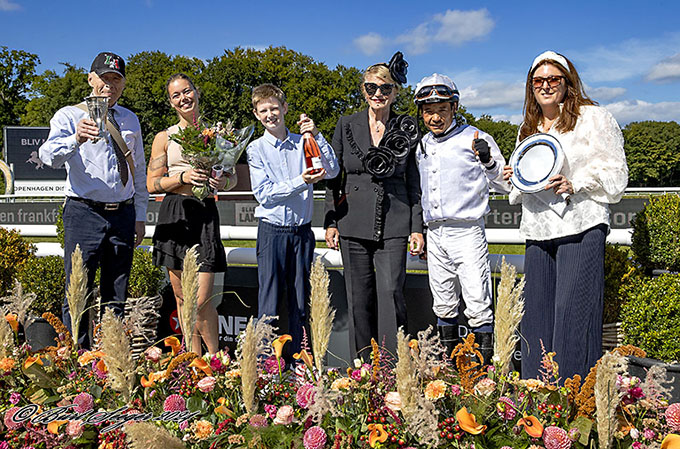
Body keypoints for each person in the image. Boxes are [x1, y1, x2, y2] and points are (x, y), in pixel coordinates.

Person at [503, 51, 628, 379]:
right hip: (538, 229)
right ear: (530, 87)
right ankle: (536, 403)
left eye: (553, 79)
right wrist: (512, 176)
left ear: (568, 82)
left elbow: (616, 174)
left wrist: (578, 183)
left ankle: (576, 406)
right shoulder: (527, 129)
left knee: (573, 319)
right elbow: (522, 188)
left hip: (581, 224)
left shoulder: (595, 118)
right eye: (538, 81)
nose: (545, 85)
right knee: (536, 322)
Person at [39, 52, 148, 347]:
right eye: (104, 78)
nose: (109, 86)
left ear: (123, 84)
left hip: (123, 214)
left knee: (116, 293)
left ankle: (110, 359)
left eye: (116, 79)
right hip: (83, 212)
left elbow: (139, 170)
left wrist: (140, 215)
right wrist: (75, 138)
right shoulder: (69, 115)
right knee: (78, 292)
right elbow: (47, 156)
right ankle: (77, 362)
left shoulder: (130, 119)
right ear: (90, 79)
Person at [324, 52, 424, 360]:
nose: (378, 94)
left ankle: (395, 369)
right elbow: (333, 176)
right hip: (352, 220)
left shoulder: (406, 128)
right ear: (363, 90)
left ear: (395, 92)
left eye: (385, 89)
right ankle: (362, 368)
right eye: (371, 88)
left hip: (395, 221)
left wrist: (416, 228)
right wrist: (330, 220)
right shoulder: (345, 124)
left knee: (391, 293)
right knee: (358, 298)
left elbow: (413, 180)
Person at [413, 73, 508, 363]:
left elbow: (504, 183)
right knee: (442, 304)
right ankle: (450, 371)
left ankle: (481, 375)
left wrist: (488, 161)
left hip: (467, 231)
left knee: (478, 302)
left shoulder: (476, 138)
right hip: (436, 233)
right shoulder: (421, 145)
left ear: (454, 108)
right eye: (429, 111)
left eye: (442, 110)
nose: (435, 117)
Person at [147, 73, 237, 356]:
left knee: (201, 300)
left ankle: (215, 359)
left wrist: (224, 182)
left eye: (187, 91)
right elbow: (152, 184)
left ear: (196, 93)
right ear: (171, 102)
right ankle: (192, 360)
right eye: (176, 95)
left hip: (204, 214)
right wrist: (183, 176)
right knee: (182, 298)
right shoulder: (164, 138)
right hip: (174, 213)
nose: (183, 98)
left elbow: (232, 177)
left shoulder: (219, 136)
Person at [247, 83, 339, 357]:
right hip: (271, 232)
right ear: (256, 114)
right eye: (263, 110)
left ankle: (302, 363)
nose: (270, 114)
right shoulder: (255, 149)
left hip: (302, 233)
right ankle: (265, 367)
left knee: (301, 302)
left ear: (285, 108)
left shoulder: (304, 142)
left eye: (274, 108)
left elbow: (332, 171)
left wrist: (317, 135)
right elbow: (264, 195)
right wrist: (301, 181)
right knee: (269, 303)